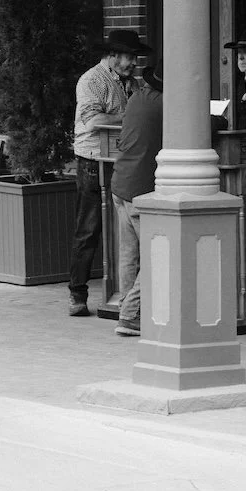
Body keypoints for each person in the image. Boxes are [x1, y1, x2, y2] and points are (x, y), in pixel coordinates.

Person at [67, 28, 143, 316]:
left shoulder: (133, 83)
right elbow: (94, 120)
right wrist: (129, 117)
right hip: (93, 161)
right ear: (112, 56)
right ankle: (78, 293)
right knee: (89, 227)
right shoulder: (91, 80)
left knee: (123, 227)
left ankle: (121, 293)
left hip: (123, 160)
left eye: (135, 57)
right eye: (129, 57)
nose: (133, 63)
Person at [111, 61, 163, 337]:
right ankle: (132, 313)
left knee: (129, 255)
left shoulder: (138, 98)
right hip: (142, 188)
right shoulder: (167, 103)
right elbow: (206, 123)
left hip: (121, 182)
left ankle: (125, 311)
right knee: (158, 253)